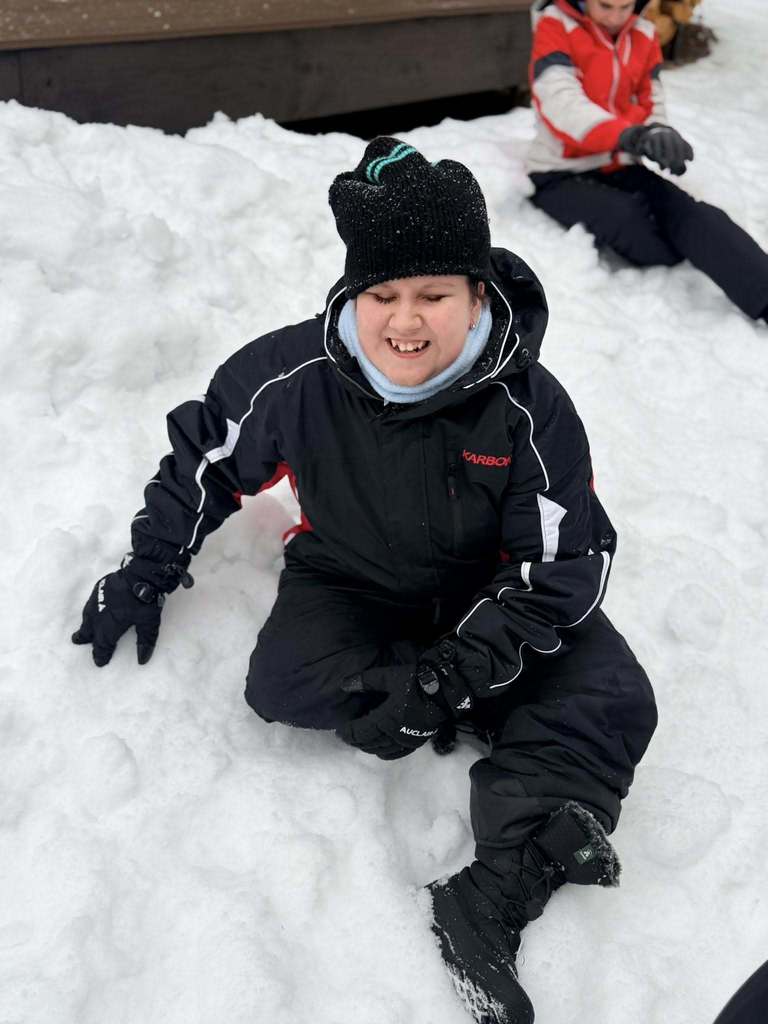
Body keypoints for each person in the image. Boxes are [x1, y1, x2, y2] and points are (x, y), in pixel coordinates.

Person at [71, 137, 657, 1024]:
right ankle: (469, 707)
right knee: (281, 684)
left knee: (614, 695)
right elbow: (207, 458)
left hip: (484, 590)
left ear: (477, 294)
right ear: (353, 295)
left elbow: (562, 565)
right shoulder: (298, 373)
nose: (406, 321)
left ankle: (496, 885)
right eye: (384, 294)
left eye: (433, 295)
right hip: (350, 576)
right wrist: (149, 568)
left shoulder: (530, 405)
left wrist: (447, 674)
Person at [528, 0, 768, 323]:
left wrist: (658, 133)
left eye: (625, 7)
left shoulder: (643, 33)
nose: (615, 17)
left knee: (691, 213)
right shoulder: (555, 24)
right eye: (605, 6)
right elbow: (561, 103)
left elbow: (650, 98)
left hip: (622, 163)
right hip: (560, 172)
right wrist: (630, 136)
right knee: (634, 224)